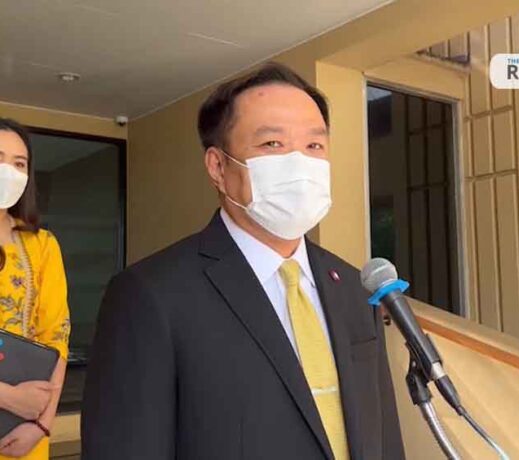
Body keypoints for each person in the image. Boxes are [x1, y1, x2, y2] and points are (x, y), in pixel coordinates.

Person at [81, 63, 405, 460]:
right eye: (272, 144)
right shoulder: (150, 294)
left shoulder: (355, 287)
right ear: (218, 167)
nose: (299, 164)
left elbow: (384, 436)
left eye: (314, 146)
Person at [0, 119, 70, 459]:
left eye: (19, 164)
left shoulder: (41, 245)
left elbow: (56, 337)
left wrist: (41, 424)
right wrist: (9, 397)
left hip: (23, 432)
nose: (9, 172)